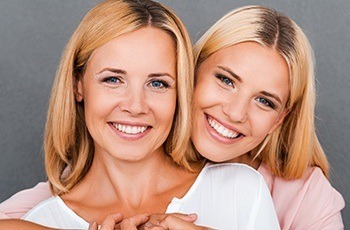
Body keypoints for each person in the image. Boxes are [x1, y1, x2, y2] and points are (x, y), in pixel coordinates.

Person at [1, 3, 345, 230]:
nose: (135, 105)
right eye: (112, 79)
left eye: (157, 82)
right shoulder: (41, 213)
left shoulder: (248, 189)